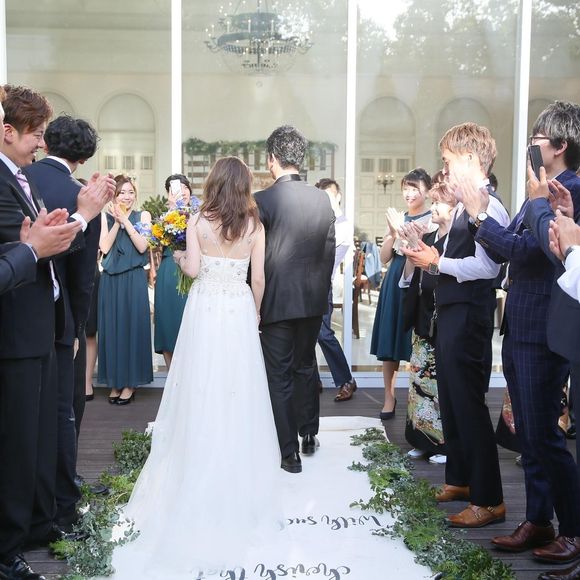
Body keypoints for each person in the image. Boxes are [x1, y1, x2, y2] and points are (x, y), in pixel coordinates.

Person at [110, 156, 282, 577]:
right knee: (237, 387)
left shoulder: (198, 221)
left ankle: (196, 457)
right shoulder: (255, 226)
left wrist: (183, 255)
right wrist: (256, 312)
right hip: (237, 308)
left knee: (200, 384)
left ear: (214, 183)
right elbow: (259, 279)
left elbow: (190, 268)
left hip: (205, 307)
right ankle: (235, 469)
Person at [0, 84, 113, 580]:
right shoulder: (12, 179)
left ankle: (38, 522)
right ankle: (14, 544)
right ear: (9, 131)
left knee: (40, 434)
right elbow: (36, 257)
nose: (39, 143)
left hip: (43, 324)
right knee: (27, 439)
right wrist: (79, 219)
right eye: (35, 134)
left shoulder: (24, 177)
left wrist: (44, 233)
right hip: (25, 330)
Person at [404, 122, 510, 528]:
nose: (444, 167)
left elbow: (487, 267)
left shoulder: (489, 207)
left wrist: (437, 261)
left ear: (469, 158)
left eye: (448, 160)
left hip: (469, 317)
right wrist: (429, 255)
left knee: (468, 406)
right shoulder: (465, 207)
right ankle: (461, 480)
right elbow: (451, 259)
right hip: (451, 314)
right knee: (450, 401)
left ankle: (490, 499)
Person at [24, 114, 102, 532]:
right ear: (84, 156)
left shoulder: (21, 178)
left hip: (20, 310)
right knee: (64, 411)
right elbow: (83, 276)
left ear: (47, 142)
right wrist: (77, 327)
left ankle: (34, 499)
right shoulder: (80, 196)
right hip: (60, 315)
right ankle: (62, 501)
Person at [254, 125, 335, 473]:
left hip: (275, 300)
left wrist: (253, 298)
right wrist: (320, 294)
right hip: (312, 300)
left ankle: (289, 453)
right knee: (305, 365)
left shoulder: (262, 200)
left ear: (272, 159)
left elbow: (255, 256)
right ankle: (309, 433)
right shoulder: (322, 199)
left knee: (280, 375)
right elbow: (329, 252)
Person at [370, 168, 432, 420]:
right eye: (406, 188)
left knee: (417, 339)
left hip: (419, 279)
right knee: (390, 339)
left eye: (415, 188)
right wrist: (394, 232)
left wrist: (409, 236)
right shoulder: (399, 217)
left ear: (427, 191)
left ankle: (419, 397)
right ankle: (389, 396)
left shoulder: (432, 218)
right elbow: (384, 257)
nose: (409, 193)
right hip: (395, 278)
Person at [400, 177, 455, 464]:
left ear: (453, 207)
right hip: (424, 315)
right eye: (433, 202)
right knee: (419, 380)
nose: (433, 208)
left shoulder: (457, 240)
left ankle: (443, 445)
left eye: (438, 203)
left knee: (439, 384)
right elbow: (410, 277)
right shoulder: (431, 238)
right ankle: (421, 439)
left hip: (444, 318)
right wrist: (412, 248)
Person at [98, 175, 153, 404]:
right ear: (114, 196)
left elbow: (142, 245)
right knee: (112, 331)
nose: (126, 197)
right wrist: (116, 222)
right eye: (121, 193)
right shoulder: (105, 217)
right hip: (110, 280)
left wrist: (126, 222)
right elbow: (104, 247)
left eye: (130, 192)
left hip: (133, 279)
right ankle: (115, 381)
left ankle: (130, 383)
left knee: (132, 329)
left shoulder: (143, 216)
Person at [313, 177, 357, 402]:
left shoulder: (342, 225)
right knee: (308, 334)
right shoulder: (320, 221)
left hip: (322, 286)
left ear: (338, 196)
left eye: (329, 196)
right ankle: (314, 380)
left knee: (323, 334)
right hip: (308, 285)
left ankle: (346, 380)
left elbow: (318, 252)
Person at [153, 173, 200, 369]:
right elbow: (157, 243)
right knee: (168, 325)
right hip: (170, 270)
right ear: (169, 193)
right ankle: (172, 378)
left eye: (185, 187)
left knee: (193, 327)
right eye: (177, 189)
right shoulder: (164, 216)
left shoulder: (200, 213)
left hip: (195, 270)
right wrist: (173, 211)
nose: (183, 192)